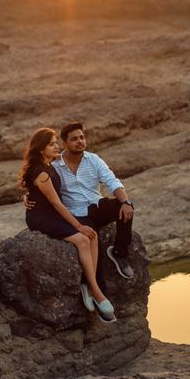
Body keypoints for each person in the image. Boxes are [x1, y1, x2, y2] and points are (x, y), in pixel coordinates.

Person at [18, 128, 116, 323]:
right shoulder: (42, 172)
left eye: (56, 143)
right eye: (52, 144)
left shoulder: (50, 163)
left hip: (52, 213)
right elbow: (56, 203)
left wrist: (27, 194)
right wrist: (78, 226)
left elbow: (35, 189)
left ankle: (89, 285)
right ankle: (96, 291)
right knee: (82, 239)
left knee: (92, 236)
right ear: (41, 149)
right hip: (42, 217)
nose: (57, 146)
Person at [51, 121, 135, 282]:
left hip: (97, 205)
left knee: (125, 207)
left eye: (82, 137)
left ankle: (119, 254)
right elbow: (43, 186)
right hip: (77, 213)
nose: (80, 141)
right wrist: (27, 197)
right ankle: (93, 289)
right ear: (65, 143)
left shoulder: (93, 160)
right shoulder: (55, 166)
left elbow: (112, 181)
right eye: (74, 139)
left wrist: (125, 201)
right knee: (91, 247)